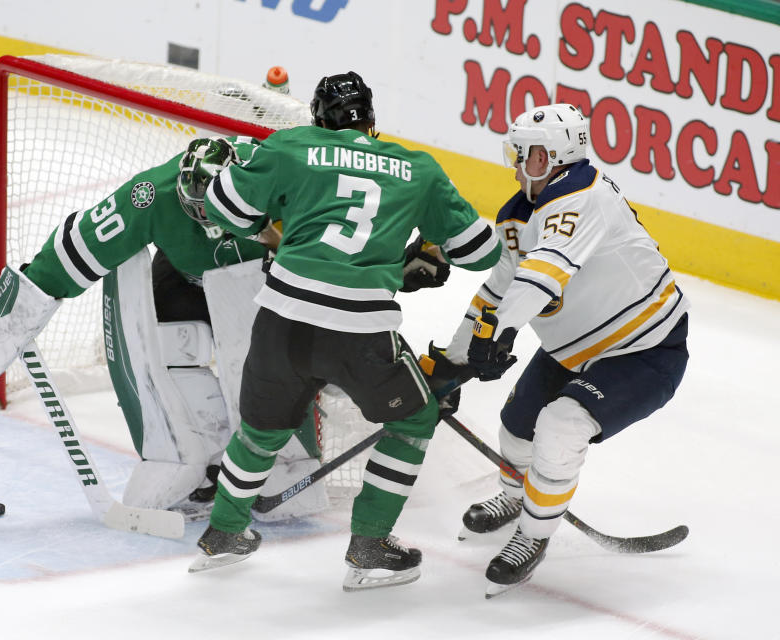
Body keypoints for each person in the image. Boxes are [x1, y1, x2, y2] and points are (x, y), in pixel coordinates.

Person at [187, 70, 502, 591]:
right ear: (372, 122)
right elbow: (480, 251)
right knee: (415, 419)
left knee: (259, 434)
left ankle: (223, 536)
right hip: (359, 331)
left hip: (281, 321)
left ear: (318, 120)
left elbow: (225, 209)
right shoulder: (416, 169)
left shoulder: (290, 147)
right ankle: (369, 545)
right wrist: (428, 242)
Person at [0, 135, 327, 521]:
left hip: (264, 280)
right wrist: (20, 308)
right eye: (194, 209)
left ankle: (284, 466)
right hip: (188, 276)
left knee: (264, 367)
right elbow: (82, 245)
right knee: (167, 348)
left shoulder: (277, 173)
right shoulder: (151, 195)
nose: (206, 220)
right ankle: (205, 462)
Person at [437, 103, 690, 597]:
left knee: (561, 425)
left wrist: (501, 332)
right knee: (516, 428)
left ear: (556, 156)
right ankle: (516, 497)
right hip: (574, 347)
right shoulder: (521, 212)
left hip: (645, 348)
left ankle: (531, 539)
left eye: (527, 155)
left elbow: (544, 273)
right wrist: (454, 359)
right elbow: (498, 288)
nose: (516, 165)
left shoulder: (582, 195)